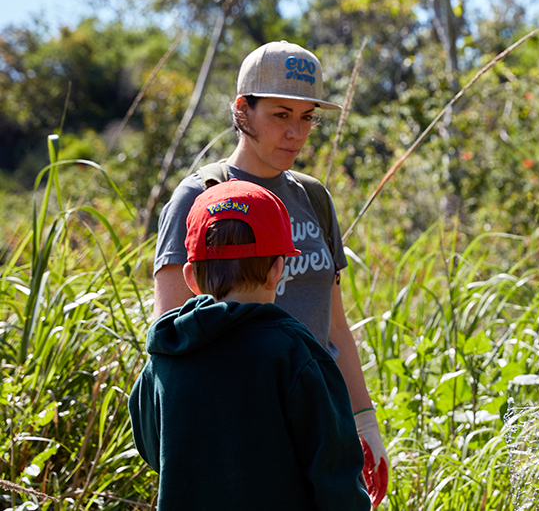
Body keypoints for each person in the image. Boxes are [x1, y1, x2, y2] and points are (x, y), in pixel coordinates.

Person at [151, 41, 388, 505]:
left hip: (320, 427)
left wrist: (362, 421)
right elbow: (171, 339)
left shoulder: (313, 197)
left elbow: (334, 324)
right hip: (244, 448)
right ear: (243, 110)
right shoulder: (201, 196)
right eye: (281, 115)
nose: (296, 133)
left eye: (307, 117)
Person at [130, 180, 370, 510]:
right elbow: (335, 472)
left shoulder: (166, 353)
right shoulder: (294, 352)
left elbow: (152, 448)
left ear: (191, 278)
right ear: (277, 270)